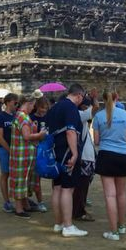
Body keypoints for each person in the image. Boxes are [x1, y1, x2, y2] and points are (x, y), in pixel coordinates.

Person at [46, 83, 88, 237]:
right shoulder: (70, 108)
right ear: (79, 96)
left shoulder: (55, 108)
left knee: (57, 187)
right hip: (67, 151)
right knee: (67, 189)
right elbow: (71, 131)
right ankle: (68, 226)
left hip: (56, 151)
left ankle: (59, 223)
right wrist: (75, 153)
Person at [93, 91, 126, 241]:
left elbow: (96, 141)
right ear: (117, 98)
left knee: (110, 195)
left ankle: (113, 231)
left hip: (106, 155)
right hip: (123, 155)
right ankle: (121, 226)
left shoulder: (99, 116)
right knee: (121, 193)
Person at [9, 93, 47, 218]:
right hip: (22, 155)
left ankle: (25, 205)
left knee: (23, 179)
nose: (34, 108)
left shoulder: (22, 116)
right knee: (21, 180)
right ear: (29, 103)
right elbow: (26, 136)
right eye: (33, 105)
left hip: (23, 154)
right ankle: (19, 209)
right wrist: (40, 135)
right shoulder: (23, 117)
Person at [73, 89, 99, 222]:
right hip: (84, 157)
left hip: (84, 155)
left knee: (80, 186)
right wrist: (94, 98)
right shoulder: (79, 114)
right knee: (81, 186)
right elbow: (96, 108)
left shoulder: (77, 115)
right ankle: (79, 211)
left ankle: (77, 209)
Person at [0, 93, 18, 213]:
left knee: (16, 174)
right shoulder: (0, 117)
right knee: (5, 174)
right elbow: (0, 137)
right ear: (8, 102)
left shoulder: (16, 116)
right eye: (15, 102)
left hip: (15, 149)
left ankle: (20, 199)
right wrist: (10, 150)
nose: (16, 105)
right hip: (4, 149)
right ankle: (6, 201)